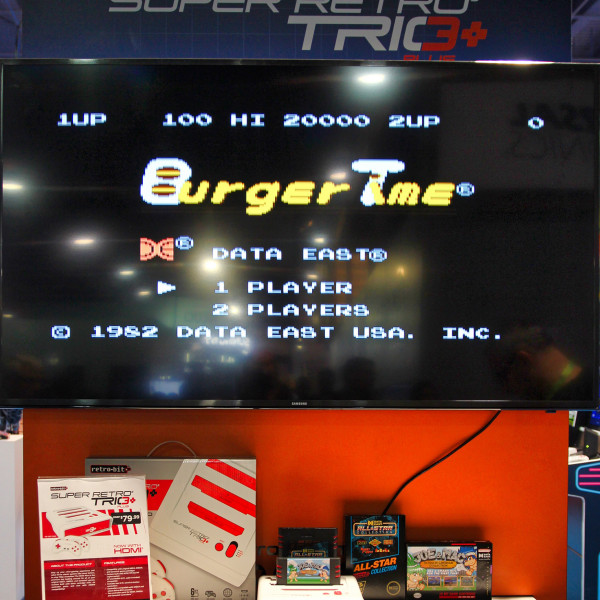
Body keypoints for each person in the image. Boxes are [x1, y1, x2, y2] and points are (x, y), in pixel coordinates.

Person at [490, 324, 591, 402]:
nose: (506, 388)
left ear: (523, 361)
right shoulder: (592, 384)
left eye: (502, 376)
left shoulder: (563, 405)